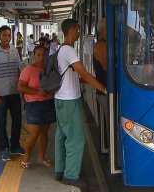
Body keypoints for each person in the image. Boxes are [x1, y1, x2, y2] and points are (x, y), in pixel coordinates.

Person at [54, 19, 106, 190]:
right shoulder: (68, 50)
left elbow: (74, 76)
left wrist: (85, 83)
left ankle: (60, 170)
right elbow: (83, 73)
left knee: (62, 135)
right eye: (77, 30)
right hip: (69, 100)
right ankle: (71, 176)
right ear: (71, 30)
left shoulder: (61, 49)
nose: (79, 33)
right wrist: (104, 89)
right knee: (76, 138)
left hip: (61, 98)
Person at [0, 25, 24, 161]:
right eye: (4, 35)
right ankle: (4, 148)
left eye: (9, 35)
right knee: (1, 121)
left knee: (17, 119)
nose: (7, 38)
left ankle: (15, 145)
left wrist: (22, 88)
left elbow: (20, 70)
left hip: (14, 91)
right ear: (0, 36)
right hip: (0, 93)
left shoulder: (14, 50)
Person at [18, 45, 55, 169]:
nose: (41, 57)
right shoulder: (28, 70)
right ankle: (26, 156)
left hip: (48, 102)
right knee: (34, 133)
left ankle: (41, 157)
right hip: (33, 104)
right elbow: (21, 87)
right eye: (38, 55)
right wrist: (37, 92)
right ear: (34, 56)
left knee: (44, 132)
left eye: (43, 55)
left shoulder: (49, 69)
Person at [93, 19, 108, 134]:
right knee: (111, 123)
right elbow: (107, 68)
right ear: (103, 30)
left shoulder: (103, 44)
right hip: (105, 91)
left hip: (105, 91)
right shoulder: (102, 45)